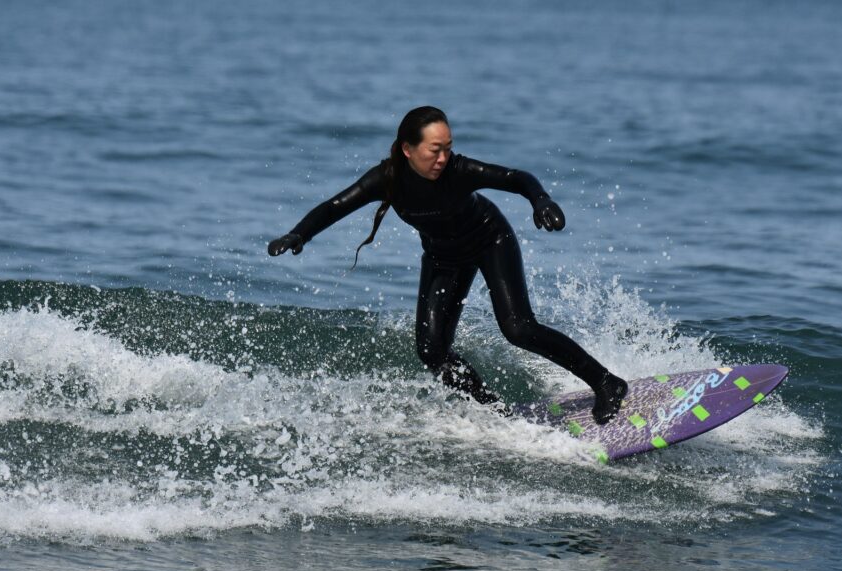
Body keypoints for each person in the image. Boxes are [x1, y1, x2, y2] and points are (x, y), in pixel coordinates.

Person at [267, 106, 628, 424]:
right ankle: (494, 411)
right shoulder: (387, 179)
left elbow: (515, 177)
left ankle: (606, 382)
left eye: (448, 148)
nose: (443, 157)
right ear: (408, 150)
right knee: (432, 351)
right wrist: (300, 234)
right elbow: (335, 207)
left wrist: (541, 200)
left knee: (518, 328)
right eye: (434, 150)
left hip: (489, 239)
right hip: (443, 256)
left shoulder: (459, 171)